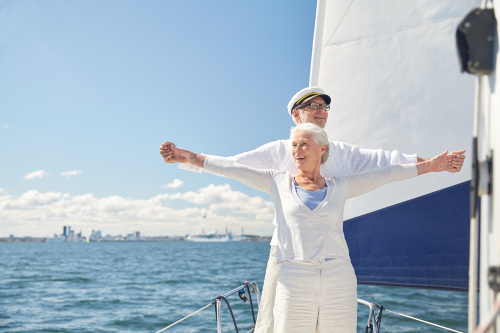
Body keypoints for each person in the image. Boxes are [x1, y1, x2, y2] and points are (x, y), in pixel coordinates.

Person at [160, 87, 466, 333]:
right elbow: (234, 166)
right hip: (287, 255)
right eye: (314, 106)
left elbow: (386, 163)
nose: (321, 111)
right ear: (296, 115)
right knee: (271, 322)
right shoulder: (278, 152)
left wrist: (434, 165)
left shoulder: (343, 153)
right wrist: (187, 157)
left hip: (331, 260)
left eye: (324, 107)